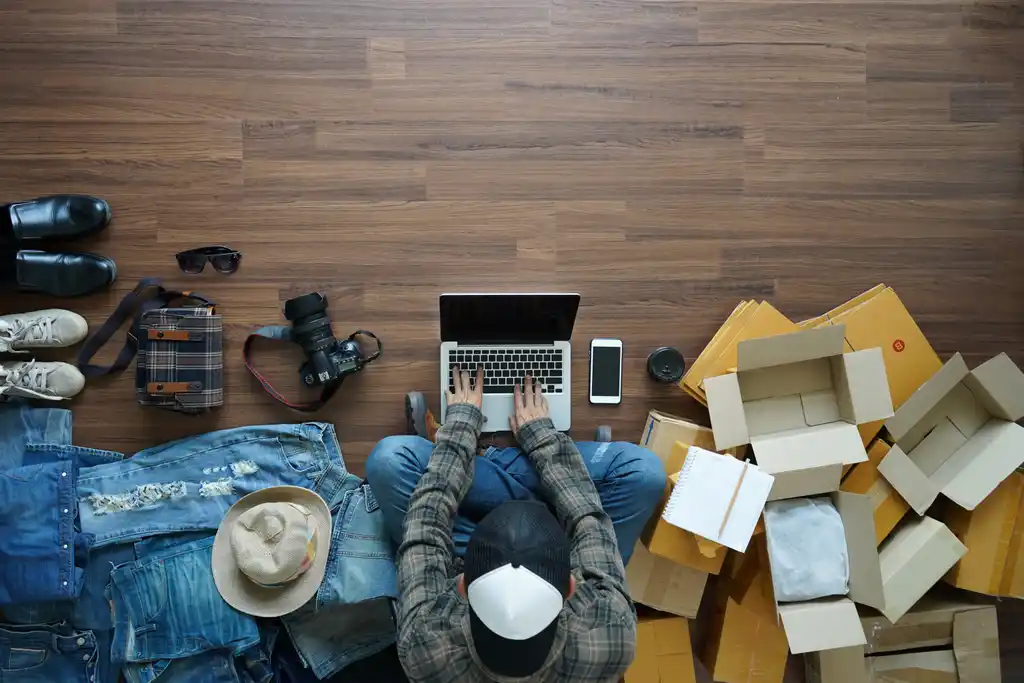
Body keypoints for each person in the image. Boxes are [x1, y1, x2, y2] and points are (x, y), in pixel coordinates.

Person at [366, 367, 666, 682]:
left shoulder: (426, 645)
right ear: (572, 587)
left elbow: (424, 533)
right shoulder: (608, 633)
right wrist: (542, 437)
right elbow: (589, 522)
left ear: (462, 586)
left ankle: (472, 458)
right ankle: (524, 471)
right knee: (643, 474)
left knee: (391, 461)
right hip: (554, 531)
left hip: (468, 542)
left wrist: (460, 428)